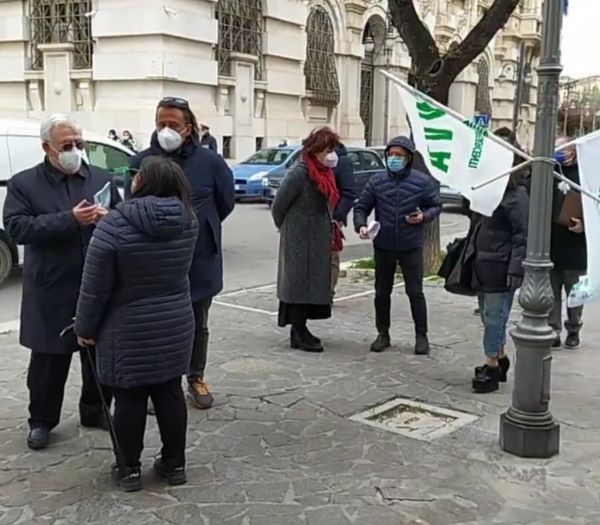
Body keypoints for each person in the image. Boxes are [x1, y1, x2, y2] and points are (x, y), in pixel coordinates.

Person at [75, 157, 198, 492]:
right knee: (170, 391)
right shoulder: (188, 221)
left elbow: (94, 287)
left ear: (144, 182)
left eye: (137, 175)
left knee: (129, 397)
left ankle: (128, 468)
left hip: (126, 327)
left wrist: (84, 329)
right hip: (175, 321)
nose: (133, 179)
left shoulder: (113, 226)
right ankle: (175, 464)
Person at [3, 114, 120, 450]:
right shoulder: (25, 183)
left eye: (78, 145)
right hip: (51, 287)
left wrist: (109, 217)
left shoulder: (100, 177)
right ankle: (41, 421)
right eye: (66, 146)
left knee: (98, 357)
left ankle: (95, 409)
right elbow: (17, 228)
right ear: (47, 148)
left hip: (96, 285)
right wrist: (69, 220)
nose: (74, 151)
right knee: (48, 364)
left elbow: (121, 218)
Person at [130, 97, 234, 410]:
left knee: (197, 323)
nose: (166, 130)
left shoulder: (211, 163)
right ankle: (161, 384)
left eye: (173, 125)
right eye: (160, 123)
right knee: (156, 325)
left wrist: (201, 227)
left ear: (188, 128)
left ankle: (195, 377)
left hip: (199, 260)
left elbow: (224, 204)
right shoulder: (142, 161)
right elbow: (129, 206)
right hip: (154, 262)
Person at [354, 136, 441, 355]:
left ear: (408, 158)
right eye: (391, 155)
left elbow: (436, 206)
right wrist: (361, 226)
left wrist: (423, 217)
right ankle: (383, 333)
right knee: (382, 292)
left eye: (399, 155)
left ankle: (421, 336)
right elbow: (361, 207)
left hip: (410, 245)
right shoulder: (377, 181)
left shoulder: (422, 182)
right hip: (383, 245)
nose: (394, 159)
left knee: (415, 292)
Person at [272, 127, 340, 352]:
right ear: (316, 150)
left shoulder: (325, 173)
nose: (331, 154)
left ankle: (300, 330)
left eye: (333, 149)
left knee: (311, 285)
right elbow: (278, 205)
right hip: (299, 240)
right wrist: (289, 230)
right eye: (327, 150)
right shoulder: (300, 172)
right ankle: (299, 331)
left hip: (317, 239)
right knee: (298, 285)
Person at [470, 171, 529, 393]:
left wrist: (516, 267)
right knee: (488, 315)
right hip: (483, 264)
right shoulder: (488, 193)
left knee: (495, 317)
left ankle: (492, 364)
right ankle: (500, 356)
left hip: (501, 267)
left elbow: (522, 235)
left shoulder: (516, 197)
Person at [550, 136, 586, 350]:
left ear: (572, 151)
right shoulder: (550, 171)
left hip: (576, 247)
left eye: (561, 148)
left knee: (575, 293)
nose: (558, 151)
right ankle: (553, 330)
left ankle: (573, 329)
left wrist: (583, 226)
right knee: (551, 294)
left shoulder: (586, 174)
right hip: (552, 245)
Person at [330, 142, 356, 299]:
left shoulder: (342, 161)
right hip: (312, 218)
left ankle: (328, 293)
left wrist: (338, 217)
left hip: (332, 218)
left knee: (331, 257)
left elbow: (349, 192)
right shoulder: (309, 158)